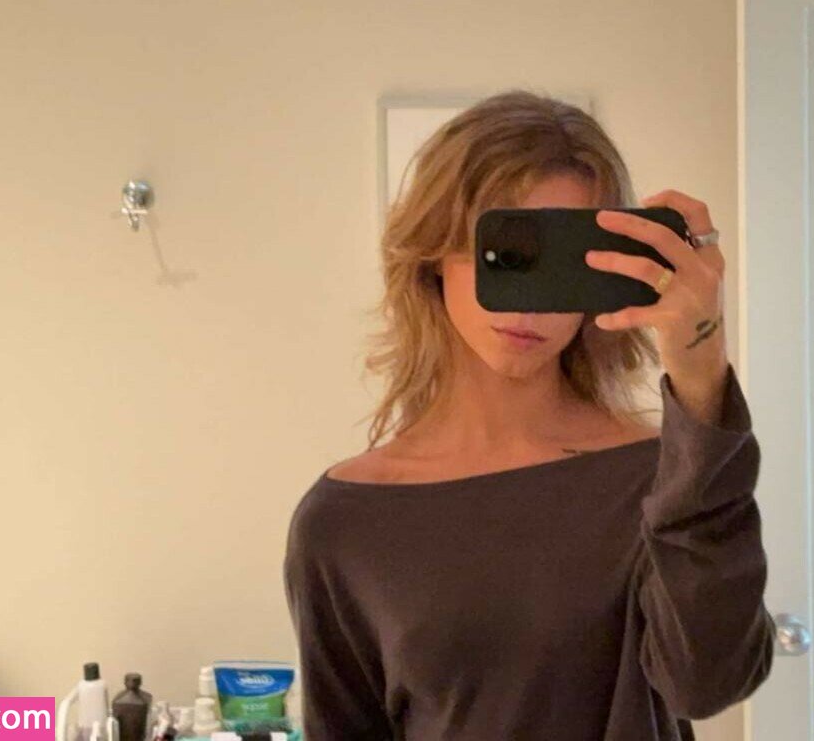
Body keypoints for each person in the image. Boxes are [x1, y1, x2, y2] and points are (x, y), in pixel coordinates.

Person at [283, 89, 774, 740]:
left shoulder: (665, 477)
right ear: (435, 252)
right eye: (506, 253)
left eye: (563, 262)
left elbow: (710, 680)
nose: (528, 305)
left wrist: (701, 363)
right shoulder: (345, 521)